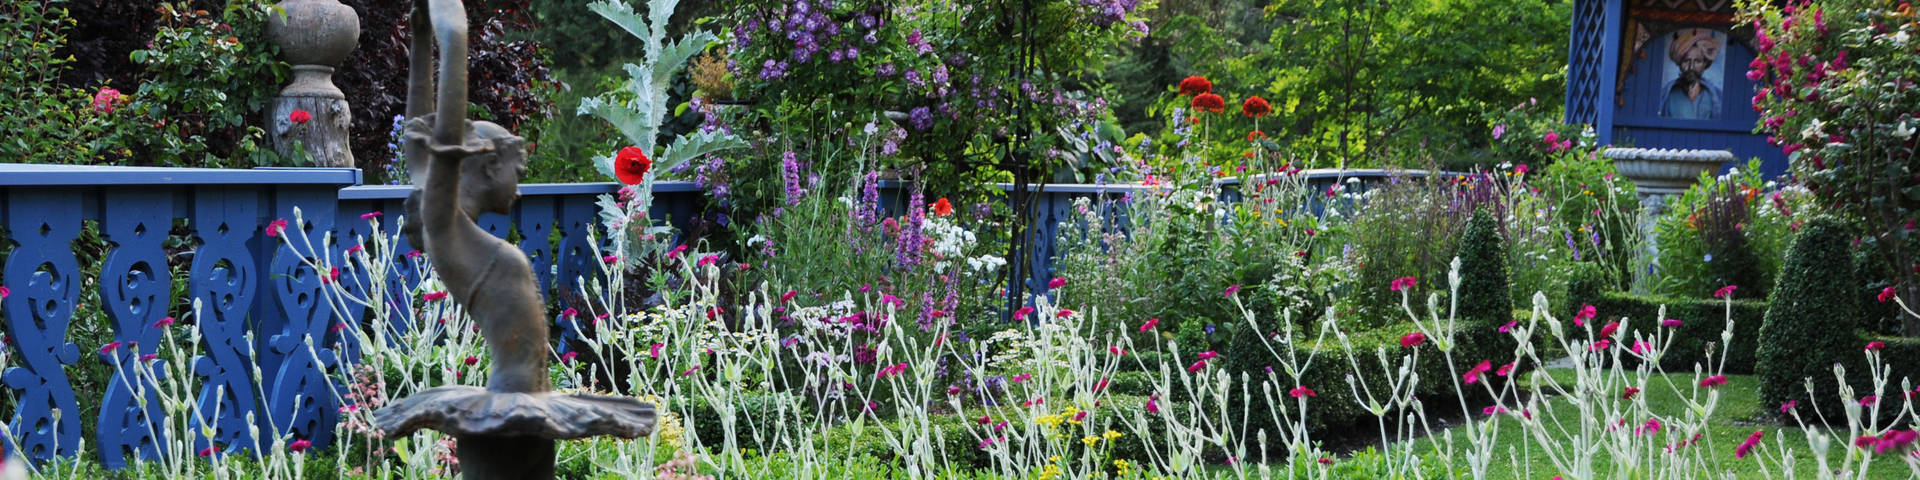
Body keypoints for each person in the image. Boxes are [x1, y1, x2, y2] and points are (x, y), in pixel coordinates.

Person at [1661, 28, 1723, 120]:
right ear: (1679, 63)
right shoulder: (1667, 93)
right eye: (1686, 61)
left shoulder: (1715, 95)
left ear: (1705, 64)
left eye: (1697, 61)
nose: (1691, 67)